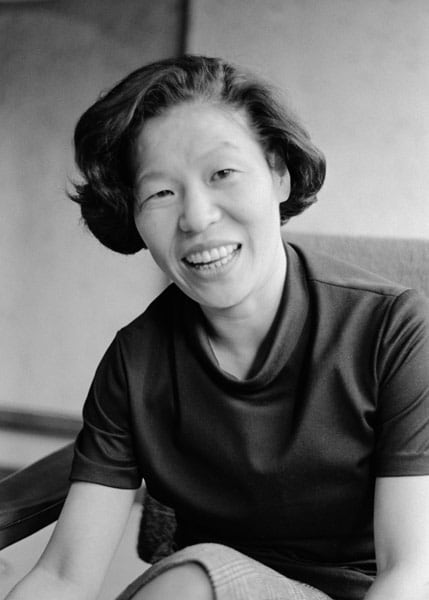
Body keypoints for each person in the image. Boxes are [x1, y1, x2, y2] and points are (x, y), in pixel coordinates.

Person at [6, 55, 429, 600]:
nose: (197, 217)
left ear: (279, 173)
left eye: (222, 174)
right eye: (160, 193)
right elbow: (65, 575)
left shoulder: (393, 328)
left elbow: (409, 571)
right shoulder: (135, 361)